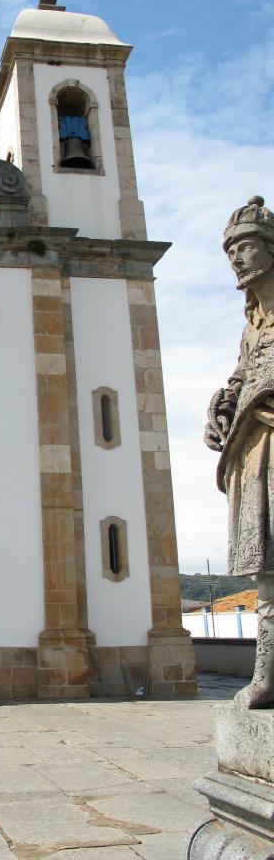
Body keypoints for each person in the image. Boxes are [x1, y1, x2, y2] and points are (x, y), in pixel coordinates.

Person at [204, 194, 274, 708]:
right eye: (232, 251)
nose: (237, 259)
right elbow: (240, 376)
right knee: (267, 572)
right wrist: (223, 406)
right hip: (256, 446)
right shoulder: (252, 325)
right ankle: (267, 677)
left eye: (245, 247)